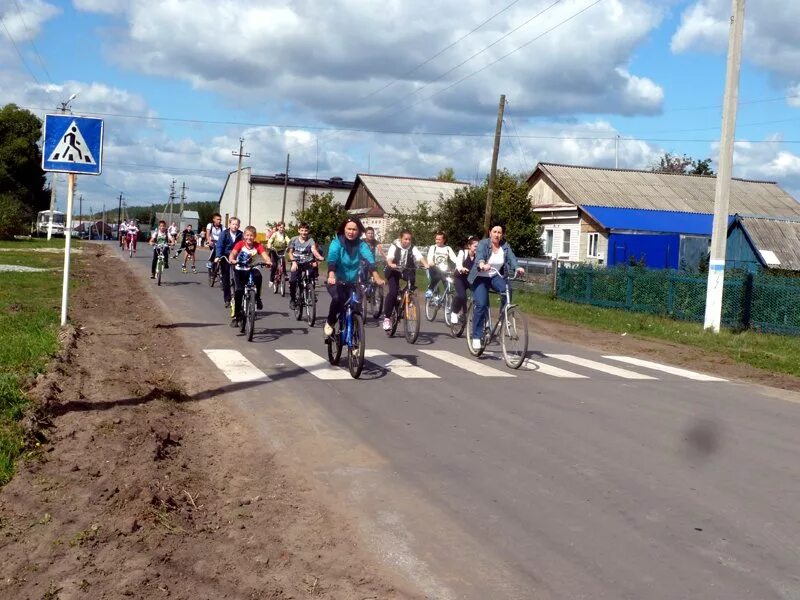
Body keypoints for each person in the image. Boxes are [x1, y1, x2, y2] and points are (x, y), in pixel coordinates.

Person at [468, 222, 525, 350]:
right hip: (480, 277)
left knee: (507, 289)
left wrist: (517, 267)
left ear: (502, 234)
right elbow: (480, 256)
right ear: (490, 233)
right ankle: (476, 336)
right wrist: (482, 264)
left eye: (499, 232)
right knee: (481, 305)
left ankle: (504, 312)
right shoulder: (483, 243)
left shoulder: (505, 245)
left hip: (494, 276)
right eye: (494, 232)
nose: (497, 235)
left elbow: (512, 259)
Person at [324, 216, 376, 338]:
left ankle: (355, 343)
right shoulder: (337, 242)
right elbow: (332, 258)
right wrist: (331, 274)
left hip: (353, 282)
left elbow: (369, 258)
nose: (351, 232)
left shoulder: (361, 244)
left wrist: (375, 274)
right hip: (337, 281)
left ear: (358, 231)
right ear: (344, 229)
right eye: (349, 229)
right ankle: (330, 321)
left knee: (356, 308)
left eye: (354, 229)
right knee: (337, 299)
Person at [382, 230, 430, 331]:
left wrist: (425, 264)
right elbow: (390, 257)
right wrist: (390, 263)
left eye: (409, 239)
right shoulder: (394, 246)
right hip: (393, 270)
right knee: (393, 293)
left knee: (411, 281)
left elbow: (420, 256)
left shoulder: (412, 248)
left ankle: (407, 297)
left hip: (406, 270)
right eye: (405, 239)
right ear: (401, 238)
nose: (407, 241)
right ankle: (387, 318)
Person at [228, 226, 272, 325]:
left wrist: (268, 261)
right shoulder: (240, 244)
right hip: (240, 269)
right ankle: (237, 315)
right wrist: (232, 259)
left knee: (258, 276)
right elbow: (233, 253)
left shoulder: (258, 245)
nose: (249, 237)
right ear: (244, 236)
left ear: (255, 236)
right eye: (247, 235)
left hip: (253, 268)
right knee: (239, 291)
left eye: (251, 235)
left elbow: (265, 255)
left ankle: (257, 298)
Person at [287, 222, 325, 311]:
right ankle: (293, 299)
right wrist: (293, 262)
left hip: (307, 262)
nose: (304, 232)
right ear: (299, 230)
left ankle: (311, 293)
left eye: (306, 230)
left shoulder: (310, 240)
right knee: (293, 281)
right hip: (296, 262)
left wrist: (319, 257)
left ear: (308, 231)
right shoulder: (294, 239)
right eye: (302, 230)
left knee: (312, 276)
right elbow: (290, 252)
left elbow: (313, 250)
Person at [215, 217, 243, 309]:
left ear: (239, 225)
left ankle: (240, 297)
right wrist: (218, 256)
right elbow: (219, 245)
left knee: (239, 277)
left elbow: (244, 246)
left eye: (237, 224)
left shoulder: (241, 234)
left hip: (237, 257)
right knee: (226, 279)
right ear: (229, 225)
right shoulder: (224, 234)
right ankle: (227, 299)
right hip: (226, 257)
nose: (235, 226)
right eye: (233, 224)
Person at [450, 236, 478, 324]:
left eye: (479, 247)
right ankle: (454, 312)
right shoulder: (463, 253)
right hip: (460, 278)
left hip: (470, 279)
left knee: (479, 296)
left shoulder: (478, 256)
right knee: (461, 296)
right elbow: (458, 263)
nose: (477, 248)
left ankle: (470, 314)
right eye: (475, 246)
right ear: (469, 246)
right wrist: (461, 268)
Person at [425, 231, 458, 299]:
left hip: (444, 270)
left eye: (439, 239)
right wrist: (431, 262)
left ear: (444, 240)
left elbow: (455, 259)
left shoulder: (448, 248)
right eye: (436, 239)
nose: (437, 241)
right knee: (436, 277)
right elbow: (429, 258)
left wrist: (459, 265)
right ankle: (430, 290)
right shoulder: (433, 247)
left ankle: (447, 300)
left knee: (447, 284)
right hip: (434, 269)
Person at [266, 221, 288, 288]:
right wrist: (269, 246)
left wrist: (290, 245)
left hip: (281, 250)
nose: (282, 229)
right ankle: (271, 280)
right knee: (274, 265)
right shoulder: (275, 234)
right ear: (278, 227)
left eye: (283, 227)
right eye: (280, 227)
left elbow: (288, 240)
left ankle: (285, 274)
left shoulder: (284, 234)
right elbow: (270, 241)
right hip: (274, 250)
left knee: (283, 262)